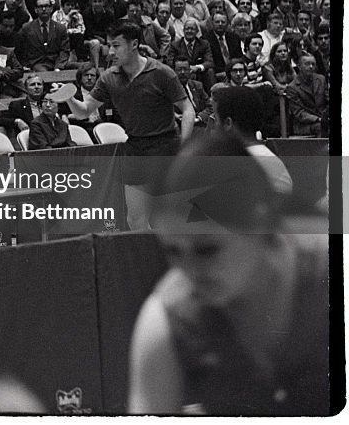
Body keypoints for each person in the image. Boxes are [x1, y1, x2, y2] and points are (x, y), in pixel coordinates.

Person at [128, 132, 328, 415]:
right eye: (173, 251)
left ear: (260, 221)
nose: (189, 273)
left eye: (207, 250)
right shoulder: (167, 320)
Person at [65, 21, 194, 230]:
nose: (111, 51)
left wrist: (184, 145)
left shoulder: (161, 73)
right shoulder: (109, 78)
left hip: (166, 146)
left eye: (117, 45)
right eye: (110, 45)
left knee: (171, 215)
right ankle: (149, 261)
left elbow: (188, 110)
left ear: (134, 44)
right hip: (135, 148)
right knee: (134, 219)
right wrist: (69, 98)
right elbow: (84, 111)